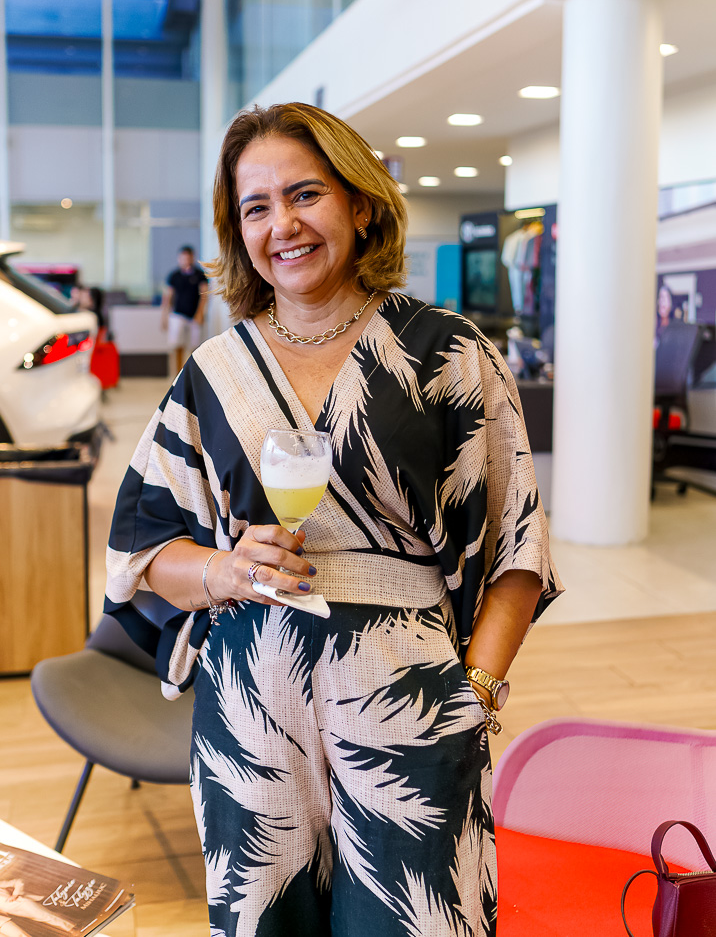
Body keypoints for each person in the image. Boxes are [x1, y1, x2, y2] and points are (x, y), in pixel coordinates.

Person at [105, 102, 563, 937]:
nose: (282, 224)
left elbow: (517, 543)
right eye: (255, 207)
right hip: (252, 706)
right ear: (238, 231)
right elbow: (144, 548)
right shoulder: (213, 371)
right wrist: (222, 570)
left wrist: (478, 694)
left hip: (408, 699)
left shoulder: (447, 353)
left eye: (305, 194)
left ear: (359, 203)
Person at [160, 245, 208, 376]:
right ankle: (177, 375)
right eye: (183, 258)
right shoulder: (174, 276)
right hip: (178, 315)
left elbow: (204, 296)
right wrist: (164, 316)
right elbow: (168, 297)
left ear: (192, 258)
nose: (185, 260)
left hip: (194, 316)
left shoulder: (200, 275)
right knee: (177, 345)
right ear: (179, 258)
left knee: (195, 346)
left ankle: (193, 375)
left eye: (188, 257)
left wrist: (200, 314)